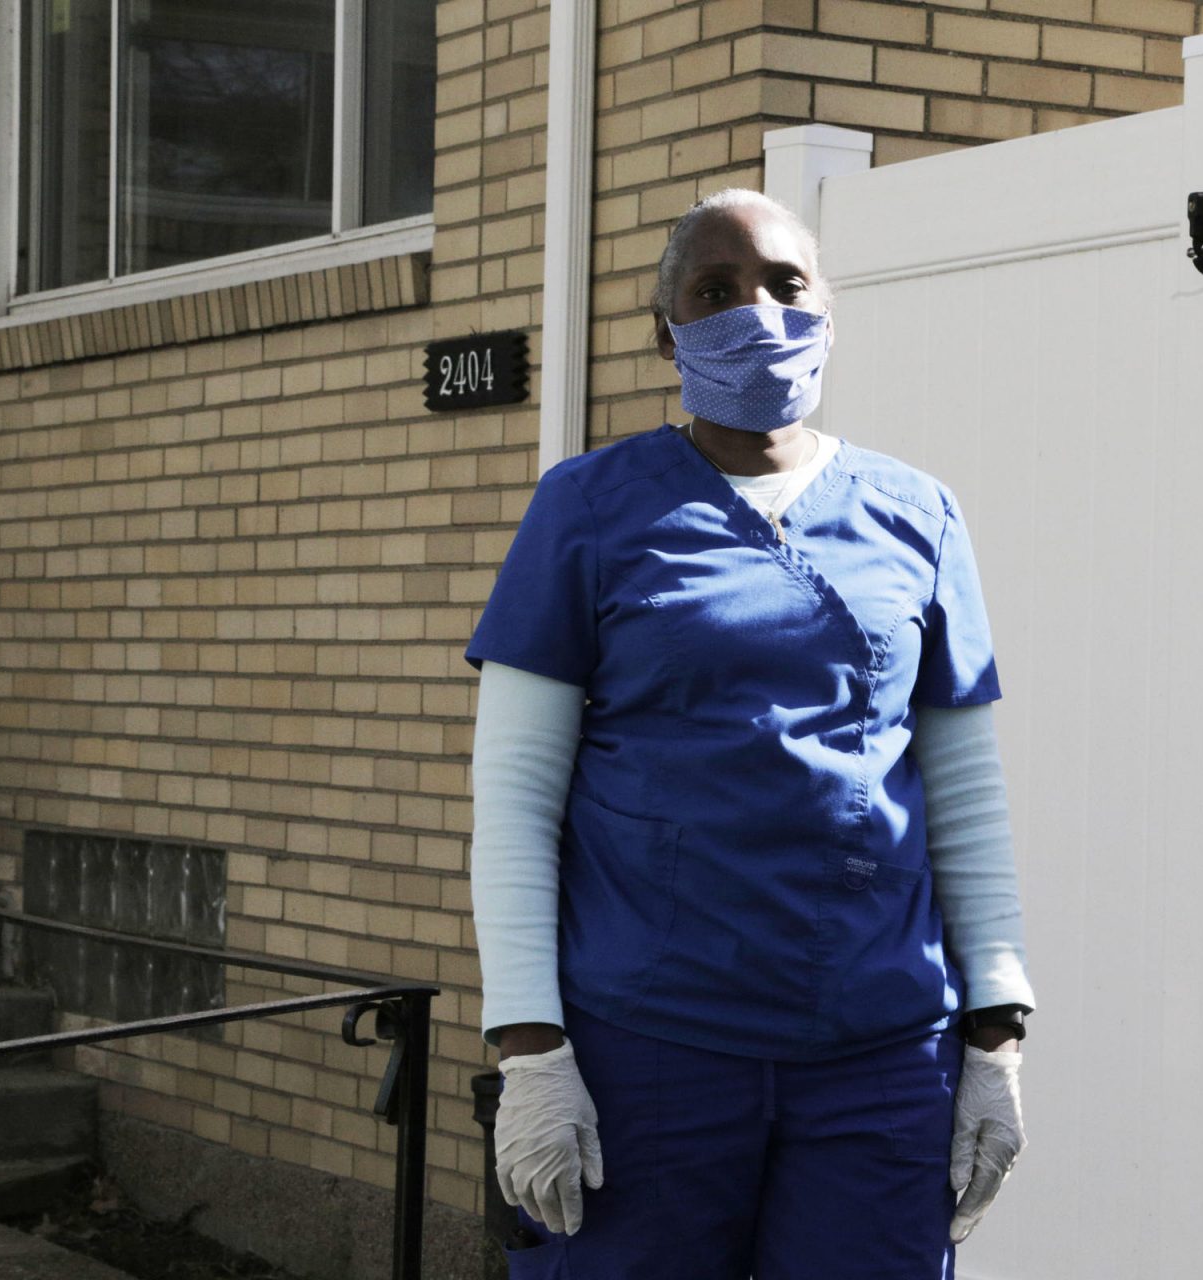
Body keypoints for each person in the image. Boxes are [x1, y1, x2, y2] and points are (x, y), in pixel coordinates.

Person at [465, 187, 1036, 1280]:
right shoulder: (588, 508)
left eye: (785, 284)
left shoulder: (918, 514)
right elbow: (516, 797)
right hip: (647, 1051)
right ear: (667, 331)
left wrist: (996, 1031)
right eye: (715, 291)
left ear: (829, 311)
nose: (756, 313)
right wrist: (531, 1046)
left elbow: (963, 792)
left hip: (877, 1050)